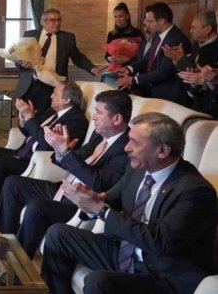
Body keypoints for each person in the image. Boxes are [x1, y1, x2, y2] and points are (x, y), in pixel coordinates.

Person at [42, 112, 217, 294]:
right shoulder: (137, 170)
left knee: (98, 282)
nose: (126, 148)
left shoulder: (195, 191)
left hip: (162, 273)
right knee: (58, 234)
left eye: (135, 142)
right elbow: (109, 200)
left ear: (163, 151)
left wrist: (100, 209)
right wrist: (89, 200)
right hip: (126, 252)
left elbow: (160, 243)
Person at [0, 90, 130, 260]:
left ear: (117, 119)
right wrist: (60, 149)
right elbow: (76, 157)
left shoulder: (126, 148)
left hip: (80, 202)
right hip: (65, 187)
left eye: (99, 112)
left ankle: (18, 261)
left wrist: (66, 152)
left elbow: (99, 182)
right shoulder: (99, 134)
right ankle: (4, 244)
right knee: (13, 183)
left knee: (37, 206)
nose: (94, 117)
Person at [0, 81, 89, 231]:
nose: (51, 96)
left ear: (66, 99)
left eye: (55, 93)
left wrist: (30, 118)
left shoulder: (76, 120)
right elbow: (29, 131)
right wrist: (24, 118)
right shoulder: (51, 112)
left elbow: (46, 145)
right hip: (22, 151)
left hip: (34, 160)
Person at [16, 8, 101, 116]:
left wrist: (92, 68)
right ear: (43, 22)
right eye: (52, 20)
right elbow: (19, 56)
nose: (57, 23)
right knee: (26, 116)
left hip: (54, 86)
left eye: (59, 20)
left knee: (47, 117)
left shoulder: (67, 38)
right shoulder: (30, 35)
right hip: (30, 84)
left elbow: (77, 57)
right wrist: (22, 64)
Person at [117, 2, 191, 105]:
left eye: (150, 21)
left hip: (169, 97)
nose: (146, 24)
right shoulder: (158, 35)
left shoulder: (175, 39)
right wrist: (130, 68)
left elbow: (164, 71)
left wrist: (133, 80)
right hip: (154, 92)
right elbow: (148, 58)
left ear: (162, 21)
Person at [163, 11, 218, 118]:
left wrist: (180, 59)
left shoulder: (214, 48)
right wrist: (177, 60)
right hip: (194, 101)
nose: (190, 31)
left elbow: (203, 75)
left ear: (208, 29)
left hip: (210, 109)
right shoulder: (196, 45)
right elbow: (193, 74)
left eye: (194, 27)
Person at [102, 3, 144, 86]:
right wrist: (111, 59)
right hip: (114, 71)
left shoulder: (136, 33)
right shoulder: (111, 34)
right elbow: (107, 55)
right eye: (115, 16)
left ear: (127, 16)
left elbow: (142, 56)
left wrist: (128, 59)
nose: (117, 19)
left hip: (131, 72)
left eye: (120, 16)